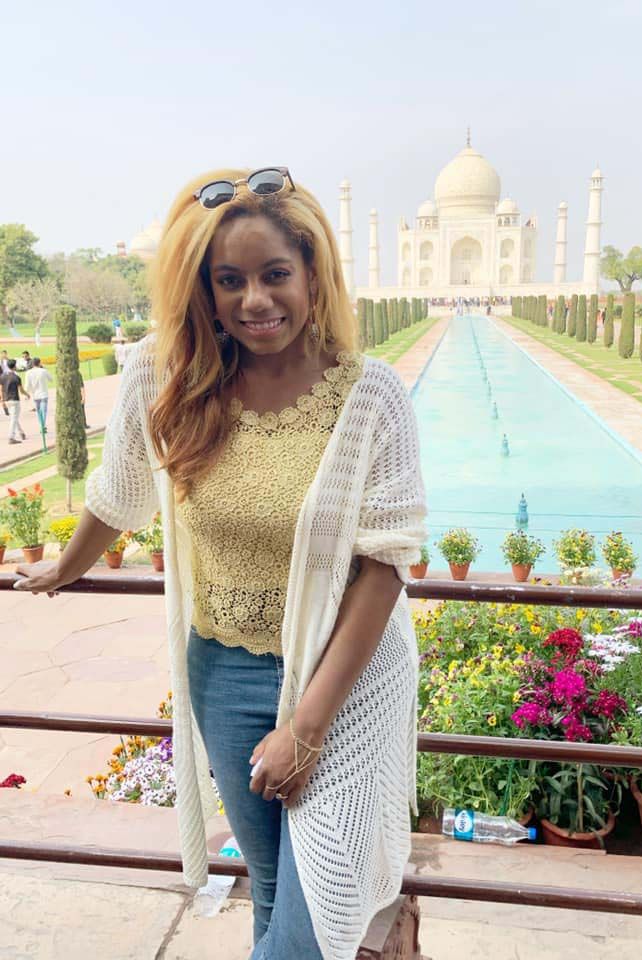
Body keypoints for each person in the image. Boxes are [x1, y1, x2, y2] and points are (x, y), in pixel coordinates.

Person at [14, 165, 427, 960]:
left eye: (275, 274)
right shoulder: (171, 379)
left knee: (314, 924)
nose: (256, 301)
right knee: (270, 888)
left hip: (345, 682)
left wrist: (305, 728)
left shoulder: (370, 396)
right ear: (202, 291)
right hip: (224, 673)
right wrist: (65, 567)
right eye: (228, 281)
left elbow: (383, 566)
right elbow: (121, 490)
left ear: (313, 272)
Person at [0, 358, 29, 443]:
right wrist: (27, 394)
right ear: (15, 366)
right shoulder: (16, 377)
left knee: (14, 417)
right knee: (14, 418)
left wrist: (2, 401)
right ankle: (11, 437)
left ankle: (21, 432)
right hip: (15, 400)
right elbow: (21, 390)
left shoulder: (2, 377)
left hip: (6, 400)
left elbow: (1, 389)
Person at [25, 357, 52, 429]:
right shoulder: (43, 371)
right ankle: (42, 425)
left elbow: (27, 385)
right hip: (43, 394)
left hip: (35, 395)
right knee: (44, 411)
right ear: (39, 363)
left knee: (38, 411)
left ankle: (41, 425)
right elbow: (51, 379)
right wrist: (45, 369)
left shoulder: (28, 372)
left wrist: (26, 394)